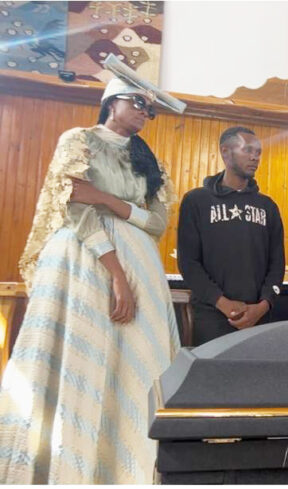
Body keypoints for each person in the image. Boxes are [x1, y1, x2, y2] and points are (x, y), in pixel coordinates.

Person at [0, 70, 182, 483]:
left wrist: (104, 197)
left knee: (135, 364)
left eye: (149, 109)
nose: (144, 112)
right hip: (83, 258)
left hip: (141, 263)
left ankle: (129, 465)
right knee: (80, 357)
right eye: (137, 103)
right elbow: (76, 208)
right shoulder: (78, 140)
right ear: (112, 101)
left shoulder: (149, 160)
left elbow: (156, 222)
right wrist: (116, 273)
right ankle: (63, 462)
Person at [177, 126, 285, 345]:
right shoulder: (196, 201)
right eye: (248, 150)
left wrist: (263, 306)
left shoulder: (268, 207)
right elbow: (188, 263)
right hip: (211, 316)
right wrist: (223, 303)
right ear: (225, 152)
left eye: (258, 152)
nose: (255, 157)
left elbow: (277, 264)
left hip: (259, 318)